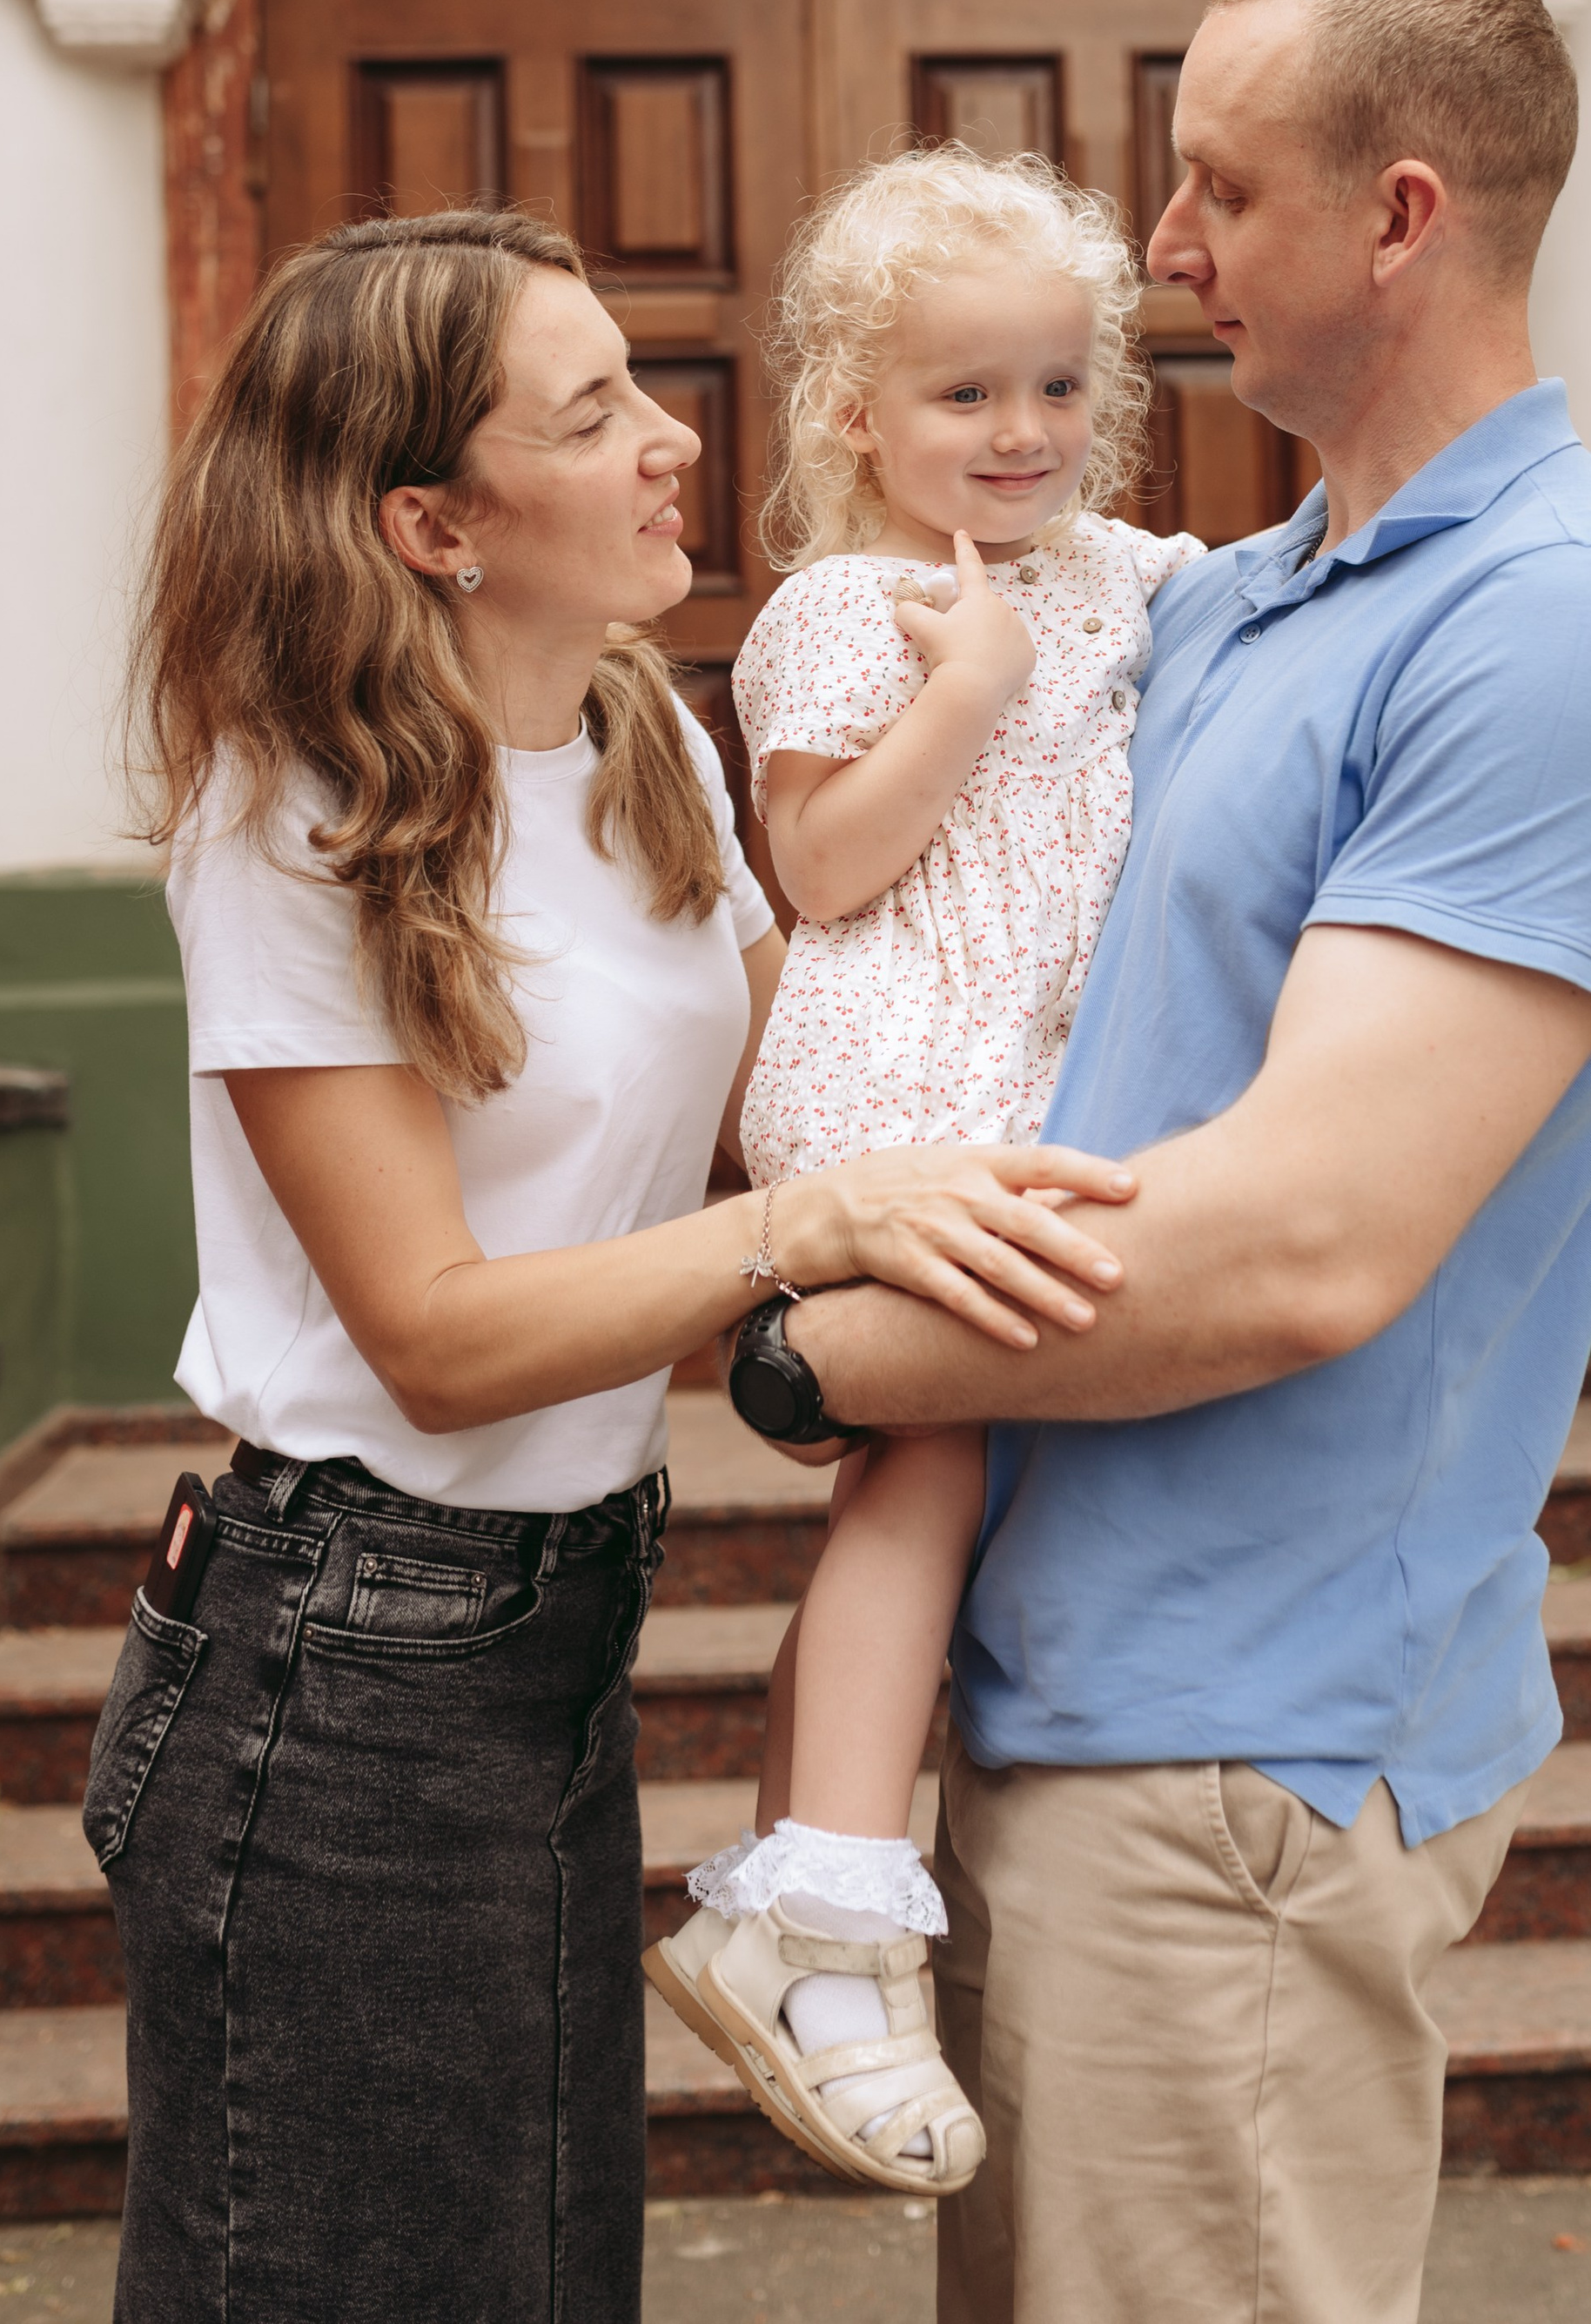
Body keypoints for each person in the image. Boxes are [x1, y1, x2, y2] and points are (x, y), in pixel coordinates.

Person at [767, 0, 1591, 2324]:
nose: (1168, 248)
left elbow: (1305, 1237)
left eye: (1220, 190)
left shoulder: (1559, 626)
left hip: (1242, 1759)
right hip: (1066, 1683)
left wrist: (808, 1352)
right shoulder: (1230, 602)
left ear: (1402, 214)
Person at [88, 207, 1136, 2324]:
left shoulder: (645, 739)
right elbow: (441, 1335)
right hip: (336, 1673)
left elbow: (797, 1098)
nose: (674, 441)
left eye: (641, 384)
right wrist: (809, 1232)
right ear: (431, 522)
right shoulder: (293, 820)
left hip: (557, 1646)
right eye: (589, 415)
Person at [645, 150, 1203, 2195]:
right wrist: (960, 690)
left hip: (1036, 1081)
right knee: (940, 1465)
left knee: (921, 1479)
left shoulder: (1114, 574)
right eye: (966, 396)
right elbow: (823, 863)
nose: (1021, 433)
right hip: (905, 1083)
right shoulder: (840, 609)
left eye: (1057, 387)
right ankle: (831, 1905)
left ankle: (795, 1896)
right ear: (855, 413)